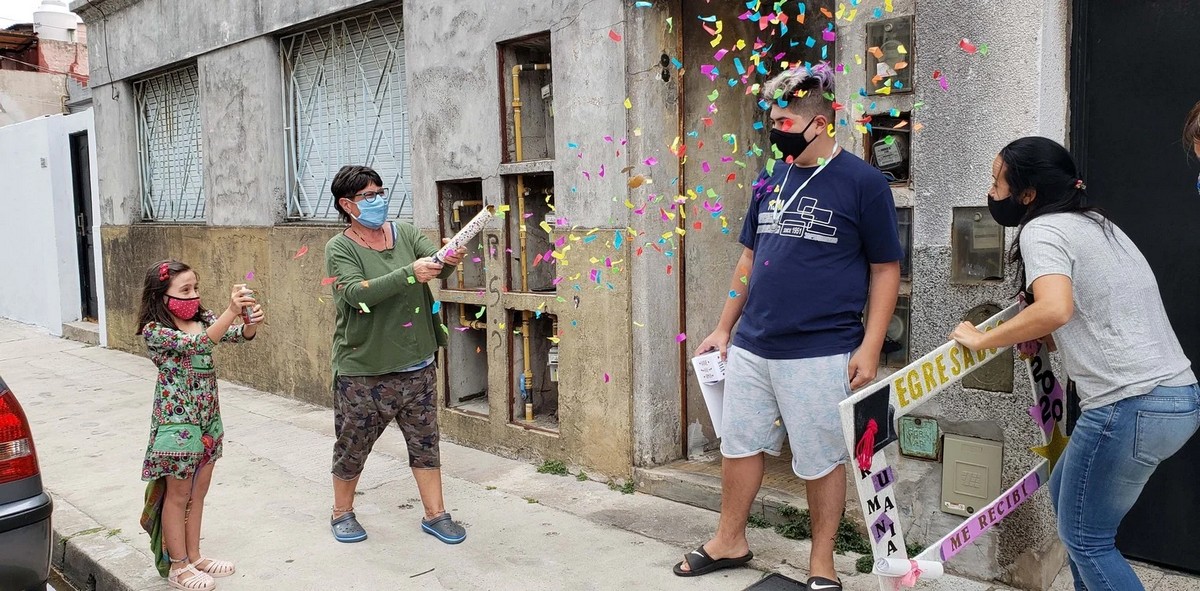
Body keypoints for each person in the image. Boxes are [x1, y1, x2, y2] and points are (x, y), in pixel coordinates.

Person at [677, 63, 903, 590]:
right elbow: (748, 260)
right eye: (772, 122)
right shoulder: (769, 178)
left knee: (820, 456)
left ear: (819, 123)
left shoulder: (865, 183)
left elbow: (885, 269)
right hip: (754, 344)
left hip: (823, 348)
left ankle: (820, 560)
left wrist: (870, 347)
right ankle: (729, 539)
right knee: (739, 444)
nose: (774, 130)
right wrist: (723, 327)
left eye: (782, 122)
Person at [950, 136, 1199, 591]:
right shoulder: (1097, 224)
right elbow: (1095, 312)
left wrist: (983, 339)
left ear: (1027, 193)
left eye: (997, 181)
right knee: (1067, 502)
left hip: (1131, 405)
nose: (992, 191)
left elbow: (1055, 308)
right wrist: (1043, 334)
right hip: (1175, 397)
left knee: (1087, 539)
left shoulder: (1041, 230)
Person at [323, 165, 469, 545]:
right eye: (368, 196)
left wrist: (448, 259)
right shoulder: (339, 247)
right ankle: (342, 512)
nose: (378, 200)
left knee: (426, 442)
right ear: (347, 204)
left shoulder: (404, 232)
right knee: (353, 445)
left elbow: (431, 267)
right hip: (365, 370)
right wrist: (410, 273)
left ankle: (436, 515)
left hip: (418, 364)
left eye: (380, 192)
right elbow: (355, 294)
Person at [137, 260, 263, 591]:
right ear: (160, 296)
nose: (194, 295)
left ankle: (194, 557)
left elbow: (233, 336)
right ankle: (178, 567)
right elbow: (200, 344)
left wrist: (249, 324)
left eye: (196, 287)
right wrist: (230, 311)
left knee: (199, 492)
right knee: (178, 495)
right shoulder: (155, 331)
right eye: (185, 290)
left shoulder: (202, 318)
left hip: (209, 418)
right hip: (177, 422)